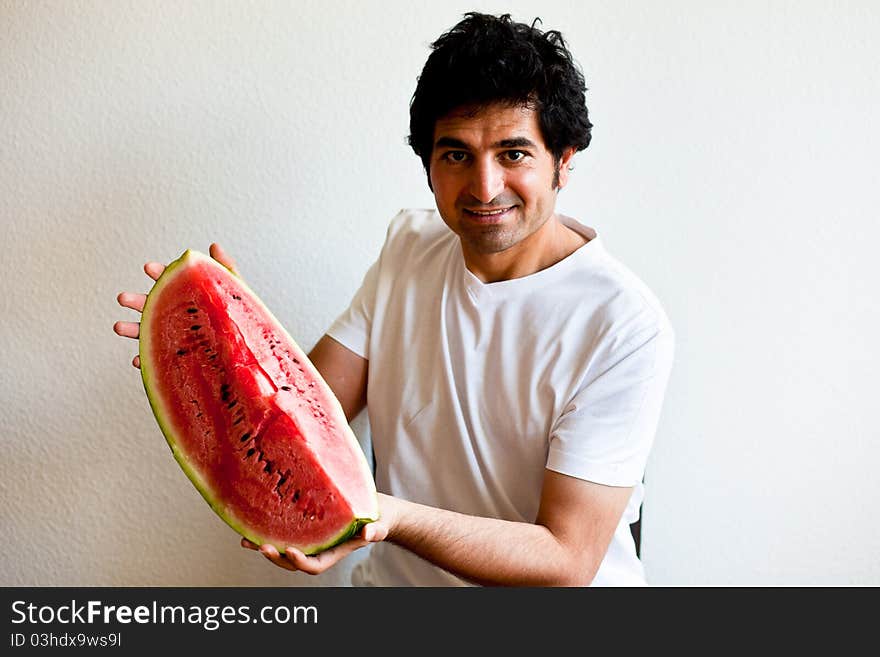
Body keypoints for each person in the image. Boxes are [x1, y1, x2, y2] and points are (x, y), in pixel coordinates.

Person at [115, 12, 674, 586]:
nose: (484, 188)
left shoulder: (623, 324)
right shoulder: (409, 246)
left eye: (513, 154)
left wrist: (391, 517)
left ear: (565, 160)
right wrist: (229, 333)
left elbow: (566, 557)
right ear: (428, 163)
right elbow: (305, 412)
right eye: (456, 154)